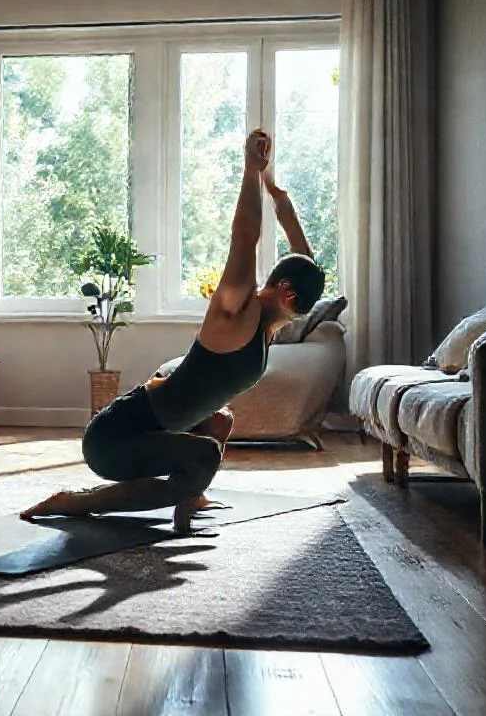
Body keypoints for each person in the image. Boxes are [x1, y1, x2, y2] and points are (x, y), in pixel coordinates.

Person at [21, 129, 326, 534]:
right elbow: (245, 236)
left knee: (220, 423)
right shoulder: (236, 310)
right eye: (305, 303)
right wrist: (249, 170)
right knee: (204, 456)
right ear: (287, 292)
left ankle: (190, 497)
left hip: (155, 427)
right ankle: (77, 503)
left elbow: (299, 252)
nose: (306, 312)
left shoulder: (269, 323)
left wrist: (272, 184)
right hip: (114, 438)